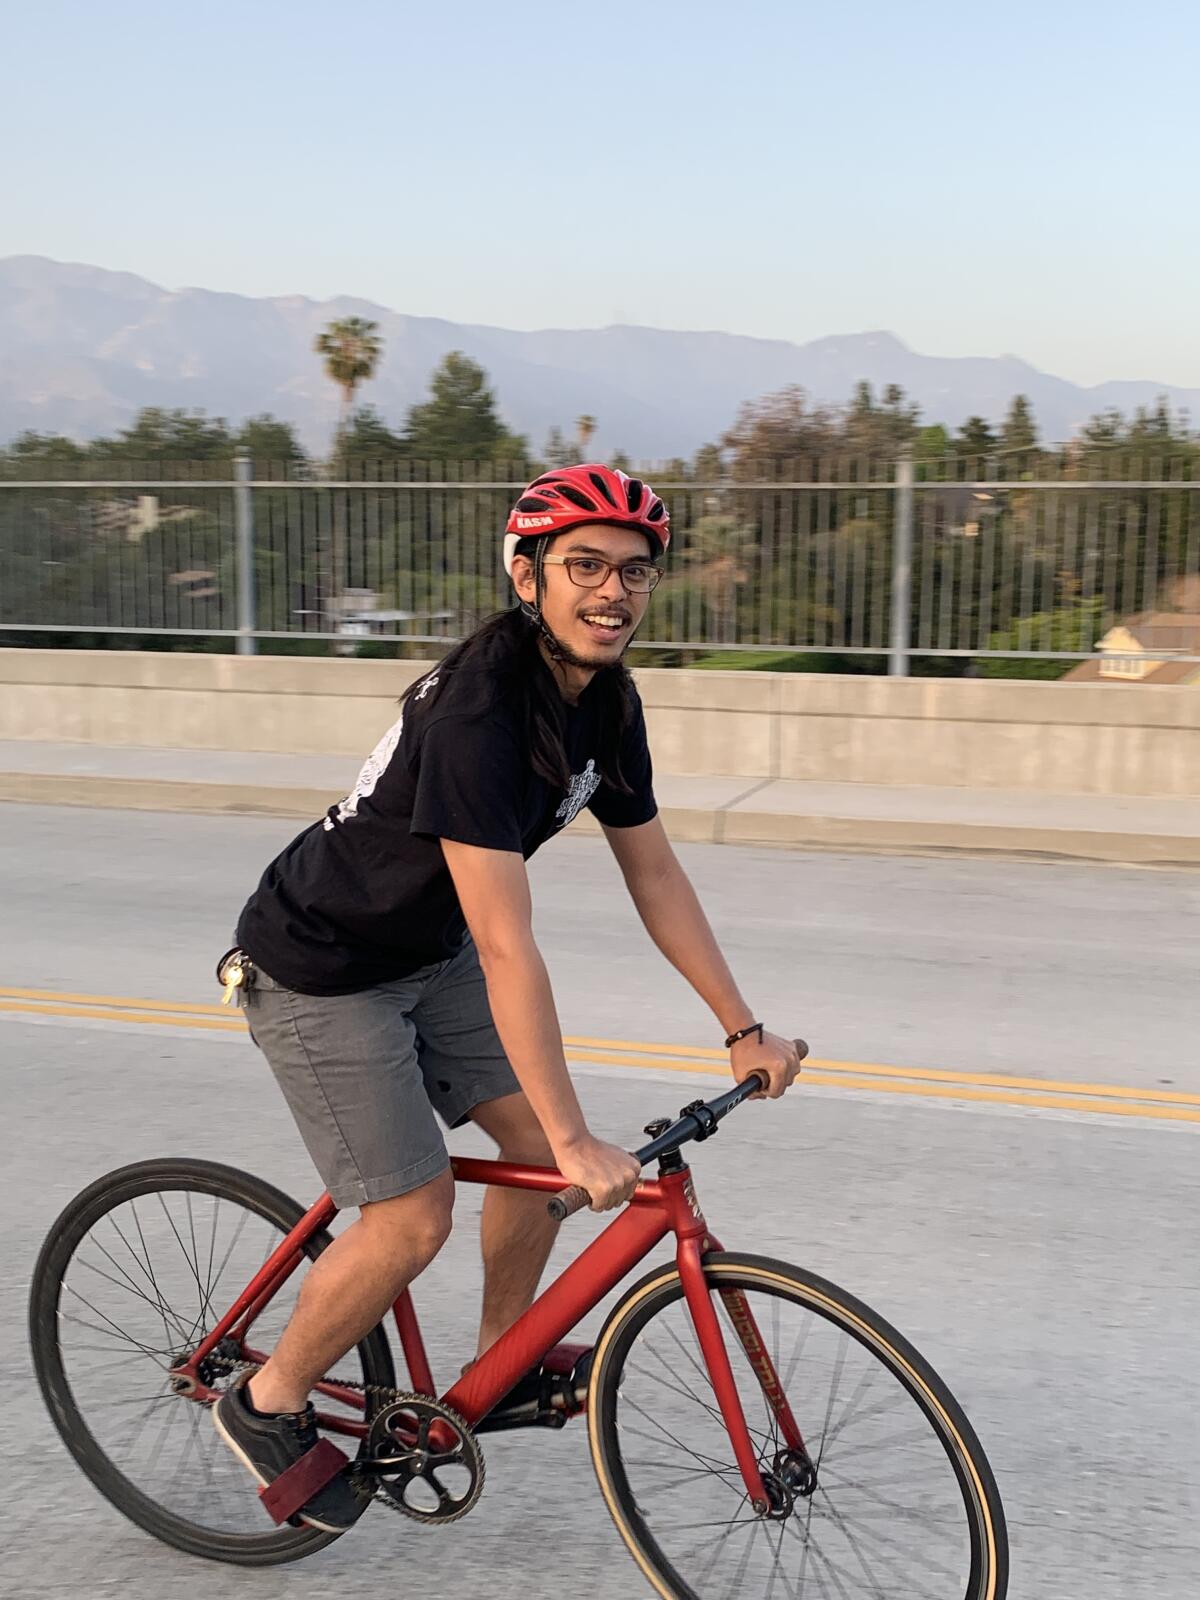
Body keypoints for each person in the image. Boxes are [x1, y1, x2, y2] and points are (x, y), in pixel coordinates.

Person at [212, 463, 803, 1529]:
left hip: (425, 953)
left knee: (527, 1159)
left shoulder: (605, 700)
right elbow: (506, 940)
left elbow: (655, 873)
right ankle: (267, 1397)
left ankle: (498, 1363)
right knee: (412, 1212)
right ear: (525, 572)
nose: (613, 592)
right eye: (585, 565)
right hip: (323, 965)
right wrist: (579, 1139)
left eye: (635, 571)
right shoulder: (483, 708)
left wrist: (743, 1026)